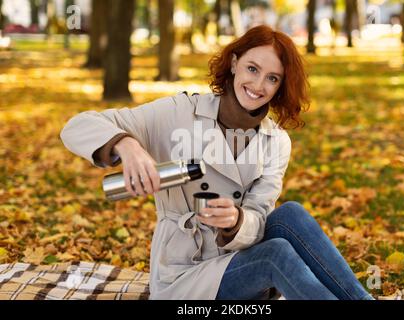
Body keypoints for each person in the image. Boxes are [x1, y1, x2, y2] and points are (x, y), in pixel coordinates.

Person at [60, 25, 374, 300]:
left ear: (280, 86)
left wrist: (237, 220)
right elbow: (77, 125)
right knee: (276, 255)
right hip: (184, 275)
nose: (258, 85)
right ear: (234, 62)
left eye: (272, 78)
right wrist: (126, 145)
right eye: (252, 69)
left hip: (238, 263)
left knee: (290, 214)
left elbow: (259, 218)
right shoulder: (179, 113)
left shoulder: (275, 141)